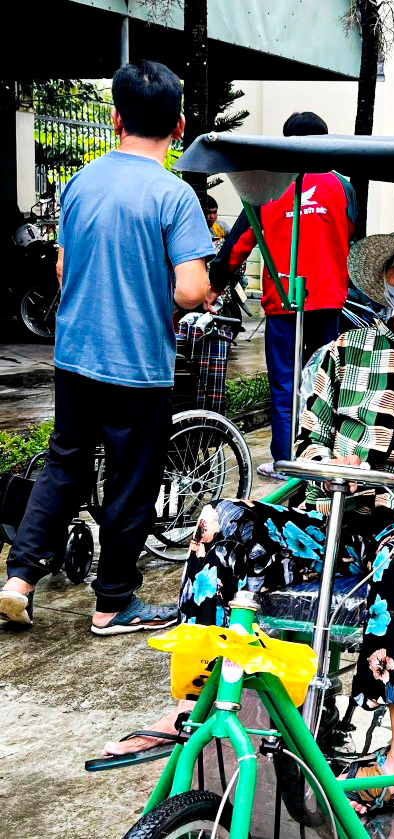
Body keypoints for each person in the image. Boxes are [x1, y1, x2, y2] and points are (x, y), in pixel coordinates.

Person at [100, 223, 394, 816]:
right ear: (385, 278)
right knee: (224, 522)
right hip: (332, 520)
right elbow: (307, 446)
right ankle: (196, 697)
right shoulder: (337, 356)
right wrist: (326, 465)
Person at [0, 60, 216, 633]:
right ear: (180, 124)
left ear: (116, 117)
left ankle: (19, 578)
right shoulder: (174, 195)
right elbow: (192, 289)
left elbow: (65, 269)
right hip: (137, 365)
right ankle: (113, 603)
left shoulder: (79, 184)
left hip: (75, 356)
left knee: (65, 465)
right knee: (131, 479)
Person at [217, 111, 357, 481]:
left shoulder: (267, 188)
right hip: (329, 299)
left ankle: (285, 461)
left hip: (284, 301)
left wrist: (215, 281)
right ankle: (323, 459)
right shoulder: (343, 186)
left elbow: (238, 246)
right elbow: (353, 238)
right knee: (327, 381)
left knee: (285, 382)